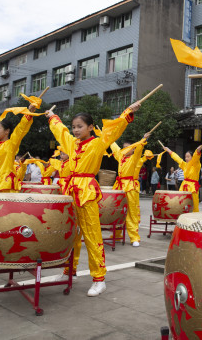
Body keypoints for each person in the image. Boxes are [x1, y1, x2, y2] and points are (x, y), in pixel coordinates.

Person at [45, 102, 138, 296]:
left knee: (92, 235)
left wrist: (128, 112)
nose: (76, 130)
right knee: (71, 233)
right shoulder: (72, 144)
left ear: (90, 127)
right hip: (71, 192)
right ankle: (68, 270)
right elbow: (60, 132)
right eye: (74, 127)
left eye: (80, 126)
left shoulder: (97, 143)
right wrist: (52, 117)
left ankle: (99, 279)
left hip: (86, 191)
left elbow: (113, 130)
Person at [111, 133, 150, 247]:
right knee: (117, 211)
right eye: (124, 148)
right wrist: (107, 136)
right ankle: (117, 235)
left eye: (129, 148)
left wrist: (143, 139)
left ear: (133, 150)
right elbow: (114, 146)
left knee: (131, 212)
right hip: (119, 186)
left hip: (130, 187)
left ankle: (134, 237)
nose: (125, 150)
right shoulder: (120, 157)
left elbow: (139, 149)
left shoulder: (134, 158)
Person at [163, 145, 202, 212]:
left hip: (192, 187)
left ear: (192, 157)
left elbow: (196, 158)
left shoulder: (196, 165)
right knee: (182, 204)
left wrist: (198, 151)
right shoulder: (184, 165)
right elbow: (177, 158)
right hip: (184, 185)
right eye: (185, 157)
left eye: (188, 157)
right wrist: (169, 150)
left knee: (193, 204)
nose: (186, 158)